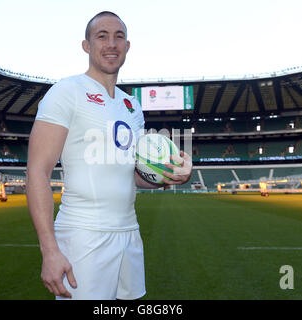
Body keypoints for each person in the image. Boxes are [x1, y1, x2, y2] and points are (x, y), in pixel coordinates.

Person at [26, 11, 193, 300]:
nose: (111, 44)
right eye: (101, 36)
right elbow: (37, 171)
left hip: (130, 231)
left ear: (127, 46)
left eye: (119, 37)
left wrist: (169, 177)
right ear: (86, 45)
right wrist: (50, 250)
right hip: (83, 234)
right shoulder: (66, 91)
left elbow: (134, 176)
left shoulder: (132, 105)